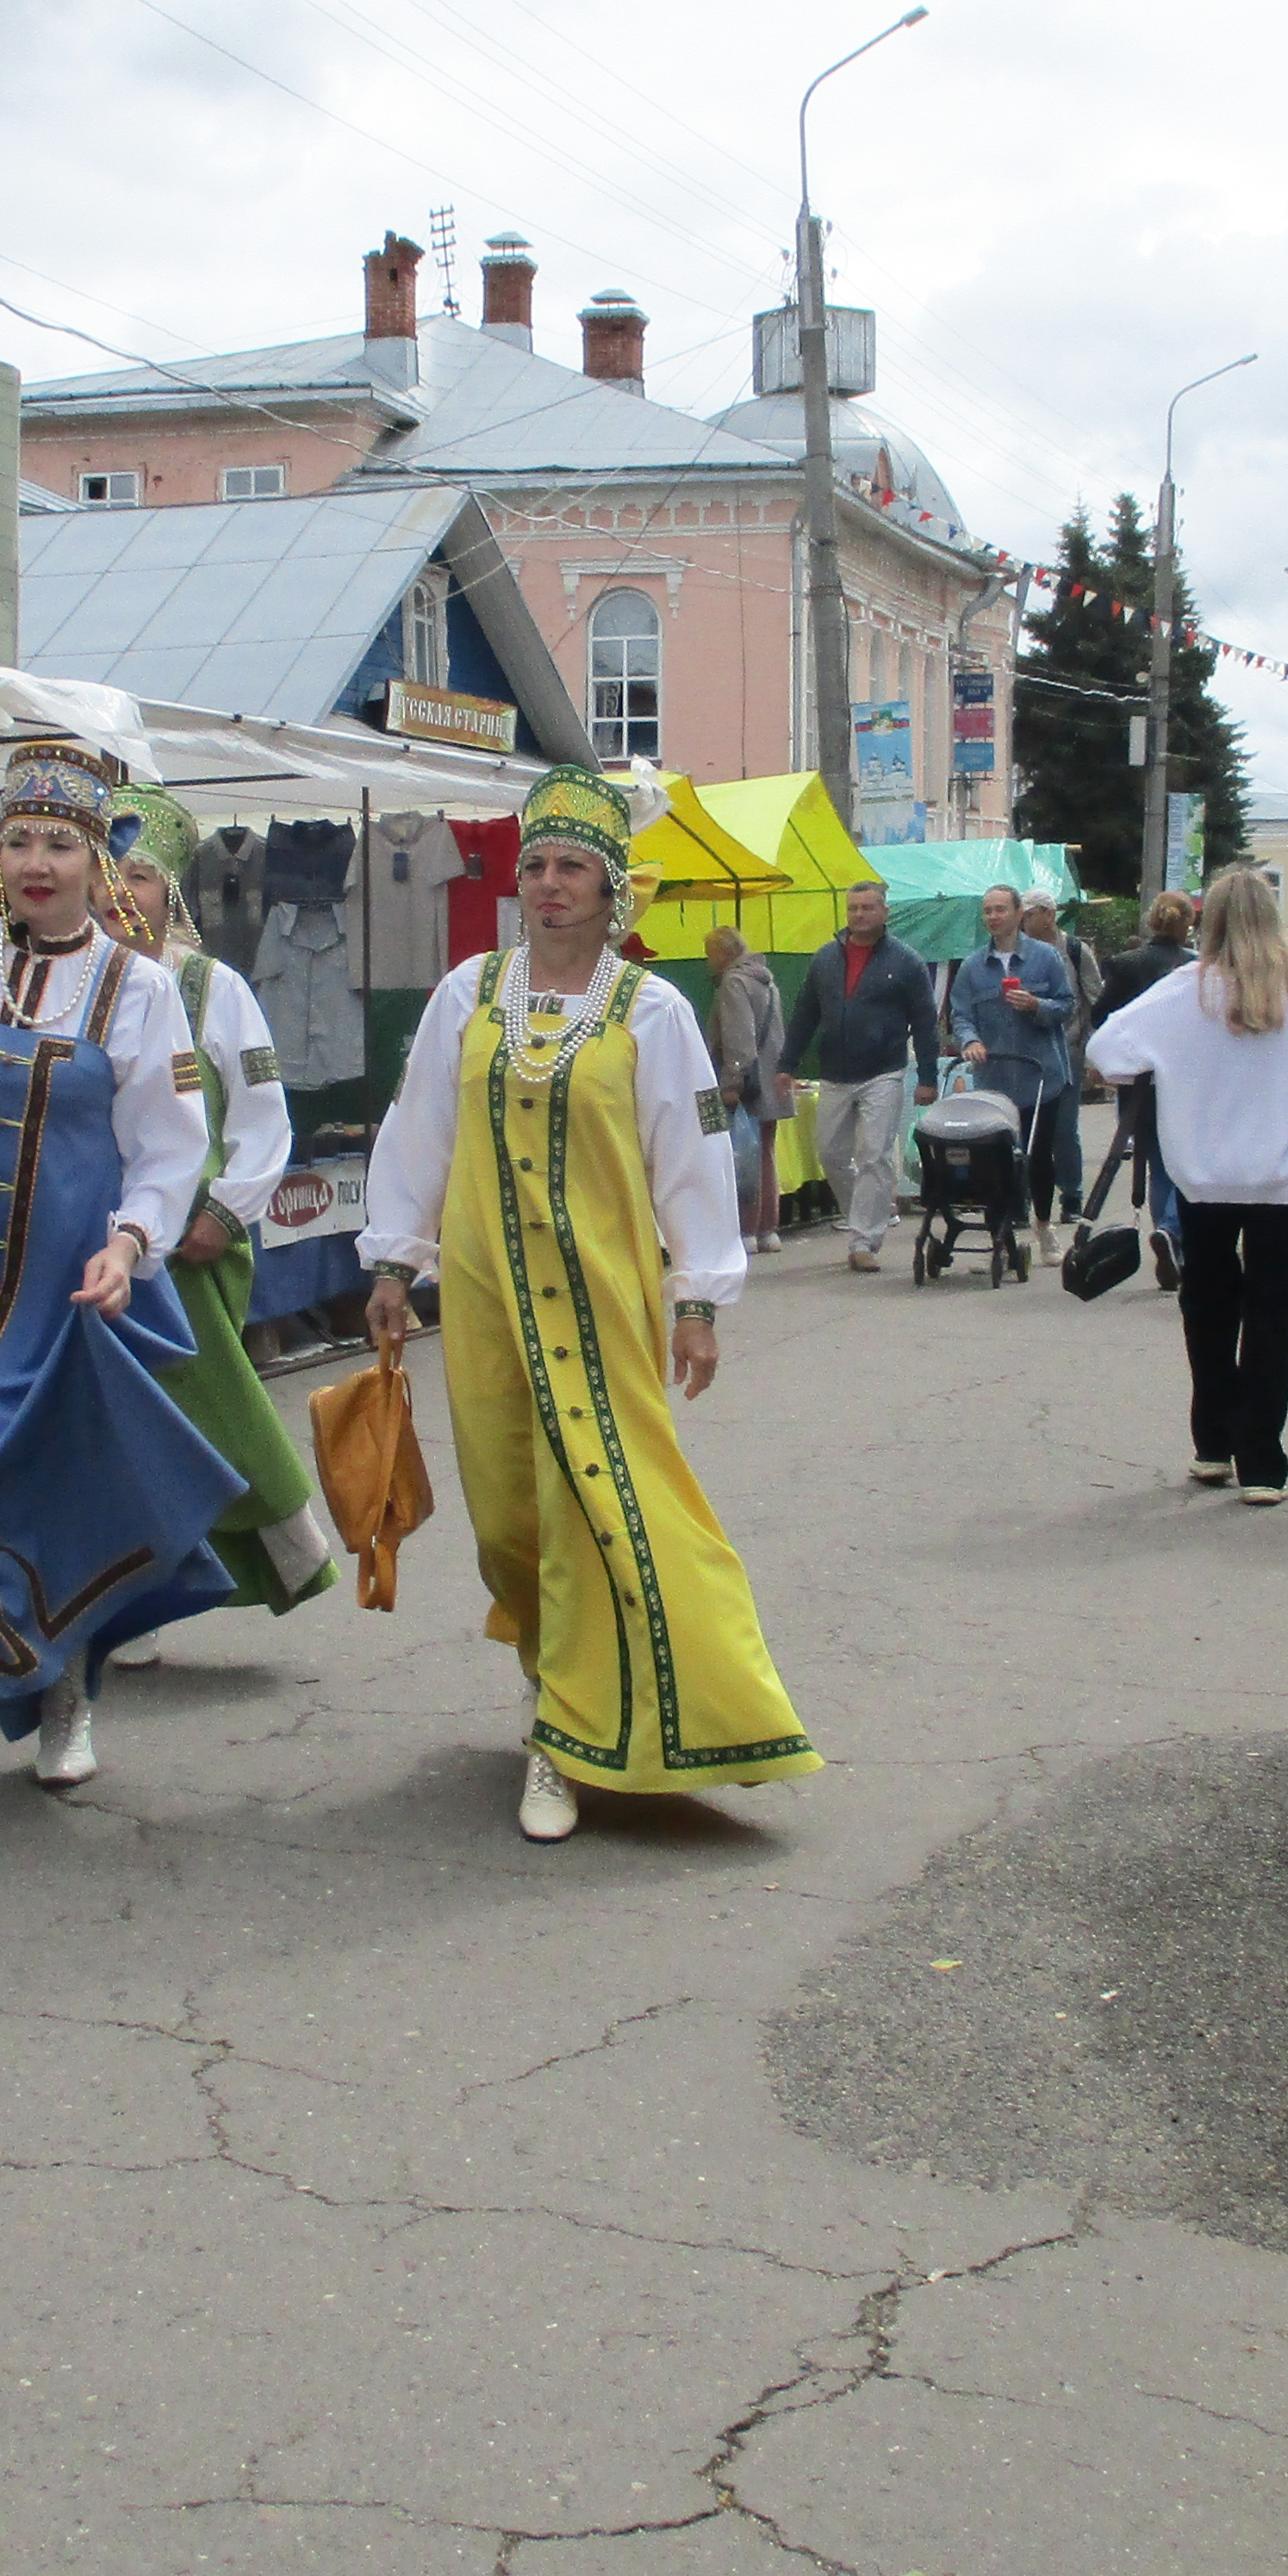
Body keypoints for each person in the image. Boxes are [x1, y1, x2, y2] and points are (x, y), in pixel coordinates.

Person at [364, 768, 819, 1841]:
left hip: (603, 1303)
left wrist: (699, 1296)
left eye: (574, 868)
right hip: (481, 1302)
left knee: (592, 1507)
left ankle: (563, 1739)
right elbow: (415, 1130)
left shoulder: (652, 1010)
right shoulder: (465, 995)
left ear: (614, 893)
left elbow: (693, 1156)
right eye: (537, 866)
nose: (551, 886)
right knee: (510, 1515)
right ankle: (548, 1679)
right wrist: (393, 1264)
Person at [0, 739, 240, 1818]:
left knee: (54, 1491)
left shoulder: (138, 987)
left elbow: (169, 1145)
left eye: (60, 844)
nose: (37, 862)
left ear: (94, 861)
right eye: (19, 840)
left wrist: (128, 1246)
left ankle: (67, 1686)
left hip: (68, 1287)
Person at [99, 805, 345, 1663]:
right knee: (108, 1428)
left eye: (137, 877)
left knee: (200, 1404)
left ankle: (283, 1536)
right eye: (110, 874)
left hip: (185, 1245)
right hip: (83, 1239)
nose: (120, 893)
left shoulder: (210, 988)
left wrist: (224, 1208)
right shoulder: (63, 986)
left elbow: (260, 1114)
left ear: (169, 891)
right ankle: (127, 1596)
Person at [1086, 863, 1288, 1505]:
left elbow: (1105, 1049)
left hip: (1203, 1178)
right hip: (1283, 1179)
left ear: (1208, 923)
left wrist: (1155, 1071)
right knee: (1272, 1317)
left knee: (1207, 1311)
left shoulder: (1183, 992)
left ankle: (1211, 1443)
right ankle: (1262, 1461)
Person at [783, 879, 942, 1272]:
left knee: (873, 1153)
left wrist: (928, 1077)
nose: (859, 915)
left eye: (868, 908)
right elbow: (805, 1014)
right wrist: (786, 1064)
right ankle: (869, 1211)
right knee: (830, 1153)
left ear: (885, 912)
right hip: (835, 1072)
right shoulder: (824, 960)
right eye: (853, 908)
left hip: (884, 1072)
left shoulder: (906, 962)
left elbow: (925, 1023)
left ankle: (864, 1239)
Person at [1090, 892, 1199, 1282]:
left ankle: (1168, 1238)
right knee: (1183, 1162)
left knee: (1154, 1161)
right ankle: (1171, 1231)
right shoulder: (1196, 969)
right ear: (1188, 923)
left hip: (1138, 1082)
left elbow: (1102, 1014)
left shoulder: (1126, 964)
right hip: (1185, 1079)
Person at [948, 886, 1077, 1191]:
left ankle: (1044, 1226)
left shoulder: (1046, 958)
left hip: (1041, 1076)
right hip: (994, 1079)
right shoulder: (972, 967)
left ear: (1019, 914)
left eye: (1001, 909)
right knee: (997, 1157)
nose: (994, 916)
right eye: (988, 910)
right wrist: (970, 1041)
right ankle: (1006, 1226)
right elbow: (961, 1014)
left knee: (1039, 1155)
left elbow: (1067, 1005)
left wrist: (1036, 1005)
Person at [704, 921, 789, 1255]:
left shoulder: (733, 983)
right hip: (770, 1078)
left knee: (742, 1157)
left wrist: (732, 1083)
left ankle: (747, 1230)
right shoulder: (766, 981)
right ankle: (769, 1228)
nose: (708, 962)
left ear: (724, 953)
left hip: (748, 1084)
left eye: (710, 954)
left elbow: (739, 1040)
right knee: (765, 1153)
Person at [1026, 894, 1103, 1228]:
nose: (1023, 921)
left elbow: (1096, 999)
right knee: (1024, 1129)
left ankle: (1072, 1196)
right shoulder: (1018, 951)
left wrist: (1093, 1055)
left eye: (1028, 914)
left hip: (1067, 1050)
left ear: (1048, 914)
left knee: (1063, 1128)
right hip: (1024, 1054)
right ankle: (1023, 1198)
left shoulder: (1074, 951)